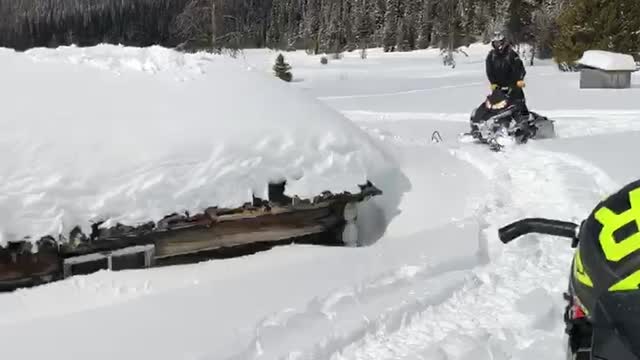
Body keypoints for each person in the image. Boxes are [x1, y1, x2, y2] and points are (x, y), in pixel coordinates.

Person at [486, 32, 528, 115]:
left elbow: (519, 69)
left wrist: (519, 80)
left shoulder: (511, 54)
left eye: (499, 42)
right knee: (493, 106)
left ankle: (525, 120)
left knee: (518, 103)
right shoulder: (491, 56)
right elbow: (489, 71)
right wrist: (493, 83)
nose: (497, 45)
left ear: (503, 42)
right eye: (495, 43)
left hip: (513, 85)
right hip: (499, 87)